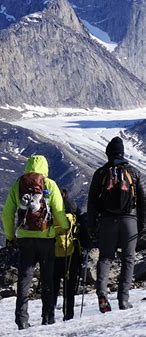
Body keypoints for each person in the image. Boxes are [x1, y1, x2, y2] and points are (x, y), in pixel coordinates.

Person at [2, 154, 69, 330]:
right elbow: (59, 212)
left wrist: (10, 236)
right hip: (46, 238)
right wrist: (65, 226)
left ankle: (21, 318)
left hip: (25, 238)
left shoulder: (18, 185)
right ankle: (48, 317)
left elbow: (7, 214)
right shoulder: (50, 184)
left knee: (24, 277)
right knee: (48, 278)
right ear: (45, 168)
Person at [87, 136, 144, 312]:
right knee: (128, 259)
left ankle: (102, 293)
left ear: (108, 153)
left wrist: (92, 226)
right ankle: (123, 300)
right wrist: (142, 224)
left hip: (106, 221)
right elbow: (143, 200)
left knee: (105, 258)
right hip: (129, 221)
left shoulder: (100, 173)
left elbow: (92, 202)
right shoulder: (133, 172)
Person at [53, 189, 82, 321]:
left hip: (52, 252)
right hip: (71, 252)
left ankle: (48, 315)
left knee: (52, 285)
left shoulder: (50, 210)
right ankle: (68, 315)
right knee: (69, 286)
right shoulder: (72, 208)